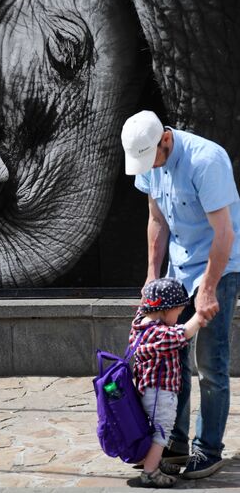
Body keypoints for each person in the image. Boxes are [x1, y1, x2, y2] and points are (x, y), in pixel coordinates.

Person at [121, 109, 240, 479]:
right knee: (173, 360)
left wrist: (207, 291)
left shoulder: (207, 161)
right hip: (178, 268)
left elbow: (224, 234)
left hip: (218, 266)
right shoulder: (148, 160)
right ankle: (173, 443)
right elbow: (157, 219)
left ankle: (209, 449)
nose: (147, 167)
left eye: (151, 157)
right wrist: (151, 278)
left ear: (166, 140)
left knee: (210, 365)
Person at [130, 277, 204, 487]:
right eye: (178, 312)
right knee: (162, 433)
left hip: (147, 391)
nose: (179, 317)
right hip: (161, 394)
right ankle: (150, 472)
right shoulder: (159, 333)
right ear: (164, 309)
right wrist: (201, 314)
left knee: (156, 430)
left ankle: (155, 461)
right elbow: (184, 333)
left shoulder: (139, 325)